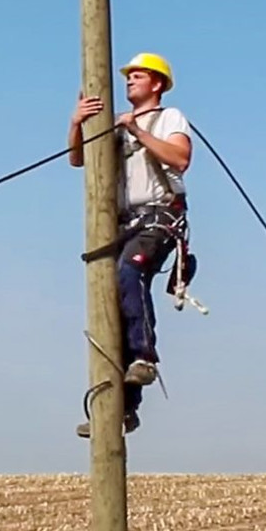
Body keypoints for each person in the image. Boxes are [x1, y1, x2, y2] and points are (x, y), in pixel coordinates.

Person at [67, 52, 193, 436]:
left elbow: (181, 158)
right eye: (128, 77)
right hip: (125, 223)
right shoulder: (116, 127)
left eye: (137, 76)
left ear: (156, 83)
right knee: (115, 305)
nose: (129, 81)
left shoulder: (168, 118)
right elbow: (78, 160)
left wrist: (137, 131)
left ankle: (144, 357)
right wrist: (77, 123)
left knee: (130, 271)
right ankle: (119, 408)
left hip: (159, 215)